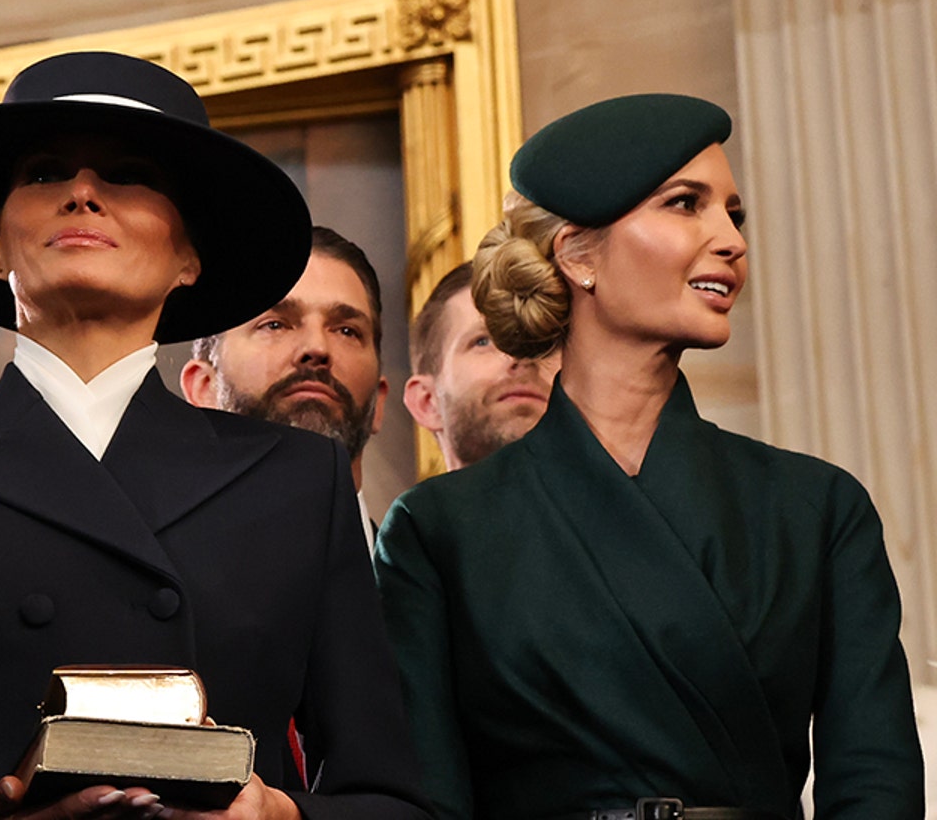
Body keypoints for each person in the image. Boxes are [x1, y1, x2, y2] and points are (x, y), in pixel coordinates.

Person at [0, 51, 429, 820]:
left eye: (128, 175)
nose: (83, 194)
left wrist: (275, 814)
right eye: (46, 173)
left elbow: (394, 801)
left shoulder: (297, 480)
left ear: (190, 258)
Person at [374, 94, 923, 820]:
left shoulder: (817, 508)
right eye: (686, 204)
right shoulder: (438, 530)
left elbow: (877, 787)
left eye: (734, 213)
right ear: (578, 255)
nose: (730, 239)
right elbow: (429, 802)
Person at [180, 227, 388, 550]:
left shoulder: (429, 591)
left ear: (380, 401)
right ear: (204, 388)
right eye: (275, 325)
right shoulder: (145, 588)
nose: (317, 347)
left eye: (346, 331)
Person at [399, 262, 556, 472]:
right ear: (427, 401)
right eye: (484, 341)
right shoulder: (412, 506)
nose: (521, 355)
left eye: (541, 341)